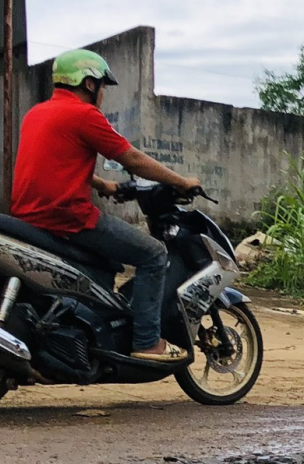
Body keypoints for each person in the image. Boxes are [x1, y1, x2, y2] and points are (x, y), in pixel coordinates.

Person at [11, 48, 202, 362]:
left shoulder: (37, 113)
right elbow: (132, 159)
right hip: (67, 217)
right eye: (102, 86)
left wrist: (103, 185)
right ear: (89, 84)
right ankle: (146, 341)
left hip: (28, 215)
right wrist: (180, 181)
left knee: (104, 267)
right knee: (153, 254)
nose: (102, 95)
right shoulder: (84, 115)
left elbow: (56, 164)